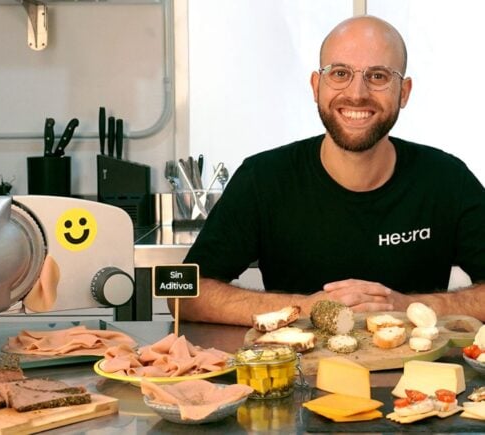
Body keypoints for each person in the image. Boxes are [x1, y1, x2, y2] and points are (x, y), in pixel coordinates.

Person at [172, 15, 485, 325]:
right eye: (340, 73)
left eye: (377, 76)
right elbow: (183, 294)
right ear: (316, 85)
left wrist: (410, 307)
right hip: (294, 373)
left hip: (419, 374)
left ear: (404, 92)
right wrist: (304, 308)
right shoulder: (263, 178)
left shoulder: (447, 179)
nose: (357, 93)